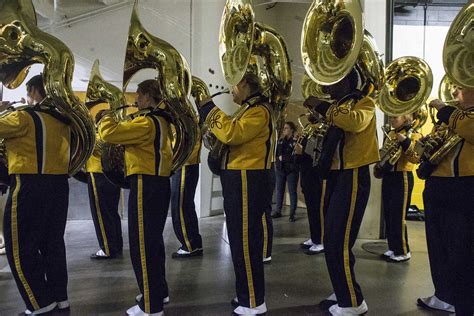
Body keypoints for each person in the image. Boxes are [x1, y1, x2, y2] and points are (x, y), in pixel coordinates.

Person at [198, 73, 276, 315]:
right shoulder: (248, 109)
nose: (230, 90)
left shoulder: (260, 110)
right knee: (240, 242)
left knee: (245, 242)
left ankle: (253, 301)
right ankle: (247, 293)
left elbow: (232, 133)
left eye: (234, 84)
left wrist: (208, 107)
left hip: (248, 179)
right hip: (239, 178)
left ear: (244, 84)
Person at [304, 68, 379, 315]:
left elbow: (353, 122)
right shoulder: (338, 107)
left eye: (334, 82)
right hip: (337, 175)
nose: (328, 87)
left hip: (354, 175)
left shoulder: (365, 103)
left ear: (348, 82)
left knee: (338, 240)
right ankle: (342, 289)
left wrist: (322, 108)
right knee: (332, 240)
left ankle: (353, 303)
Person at [99, 79, 172, 316]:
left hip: (145, 184)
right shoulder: (159, 120)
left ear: (149, 96)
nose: (136, 100)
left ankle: (151, 307)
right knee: (152, 243)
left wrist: (109, 112)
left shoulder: (147, 122)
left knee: (142, 245)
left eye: (139, 95)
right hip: (156, 184)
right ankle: (157, 292)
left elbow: (110, 133)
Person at [0, 74, 71, 314]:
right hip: (59, 185)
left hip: (29, 185)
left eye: (29, 93)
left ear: (34, 92)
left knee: (19, 246)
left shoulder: (23, 117)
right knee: (53, 244)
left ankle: (40, 303)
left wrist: (1, 110)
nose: (27, 97)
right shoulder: (63, 120)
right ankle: (60, 298)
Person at [417, 87, 474, 316]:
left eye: (462, 87)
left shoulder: (456, 116)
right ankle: (444, 294)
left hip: (463, 187)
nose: (455, 90)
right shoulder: (451, 118)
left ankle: (464, 305)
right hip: (437, 186)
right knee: (438, 247)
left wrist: (445, 110)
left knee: (461, 252)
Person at [375, 114, 421, 263]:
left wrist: (405, 141)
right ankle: (393, 247)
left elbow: (416, 157)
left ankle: (402, 251)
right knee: (389, 213)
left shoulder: (414, 134)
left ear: (406, 118)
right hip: (389, 176)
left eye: (396, 117)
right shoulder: (391, 134)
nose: (392, 120)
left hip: (403, 177)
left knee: (398, 215)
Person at [86, 114, 123, 260]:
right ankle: (116, 244)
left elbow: (89, 146)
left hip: (98, 173)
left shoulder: (97, 135)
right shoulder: (116, 133)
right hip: (112, 174)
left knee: (101, 213)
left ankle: (107, 248)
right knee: (112, 212)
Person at [294, 113, 325, 255]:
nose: (309, 113)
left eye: (313, 110)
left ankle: (321, 240)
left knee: (318, 209)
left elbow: (319, 154)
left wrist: (303, 150)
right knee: (311, 208)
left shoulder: (322, 129)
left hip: (315, 174)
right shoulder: (308, 127)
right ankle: (314, 237)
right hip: (306, 172)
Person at [170, 133, 203, 258]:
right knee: (186, 205)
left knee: (180, 206)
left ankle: (189, 245)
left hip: (184, 161)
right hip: (186, 161)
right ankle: (194, 243)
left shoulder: (184, 115)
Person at [271, 121, 299, 222]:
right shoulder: (280, 141)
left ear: (291, 130)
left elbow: (295, 157)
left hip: (291, 170)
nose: (284, 130)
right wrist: (278, 161)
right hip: (280, 169)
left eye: (286, 128)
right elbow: (277, 154)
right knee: (279, 190)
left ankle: (292, 213)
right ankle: (278, 211)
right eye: (284, 128)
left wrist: (284, 158)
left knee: (292, 191)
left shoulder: (295, 142)